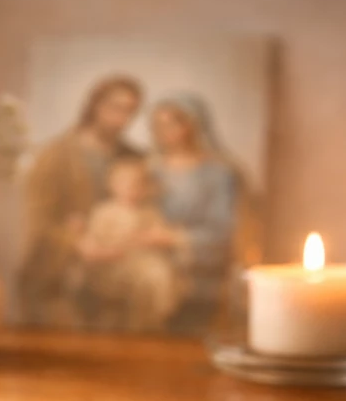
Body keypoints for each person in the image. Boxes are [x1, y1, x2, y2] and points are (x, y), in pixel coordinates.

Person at [18, 75, 144, 326]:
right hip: (62, 269)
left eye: (130, 111)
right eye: (116, 108)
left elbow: (146, 209)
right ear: (95, 105)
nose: (122, 119)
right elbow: (39, 221)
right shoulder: (55, 155)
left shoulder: (133, 157)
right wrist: (77, 243)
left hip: (120, 260)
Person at [141, 93, 254, 333]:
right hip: (147, 263)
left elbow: (226, 231)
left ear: (193, 125)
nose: (163, 131)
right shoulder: (147, 169)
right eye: (158, 125)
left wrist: (174, 238)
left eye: (172, 123)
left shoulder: (218, 173)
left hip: (202, 269)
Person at [73, 156, 181, 332]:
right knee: (151, 275)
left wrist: (157, 237)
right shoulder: (105, 211)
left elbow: (161, 234)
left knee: (158, 272)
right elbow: (92, 242)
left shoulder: (149, 211)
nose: (132, 189)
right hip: (112, 263)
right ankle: (138, 322)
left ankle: (151, 320)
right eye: (124, 183)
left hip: (141, 259)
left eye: (138, 184)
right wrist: (99, 248)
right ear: (112, 185)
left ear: (145, 188)